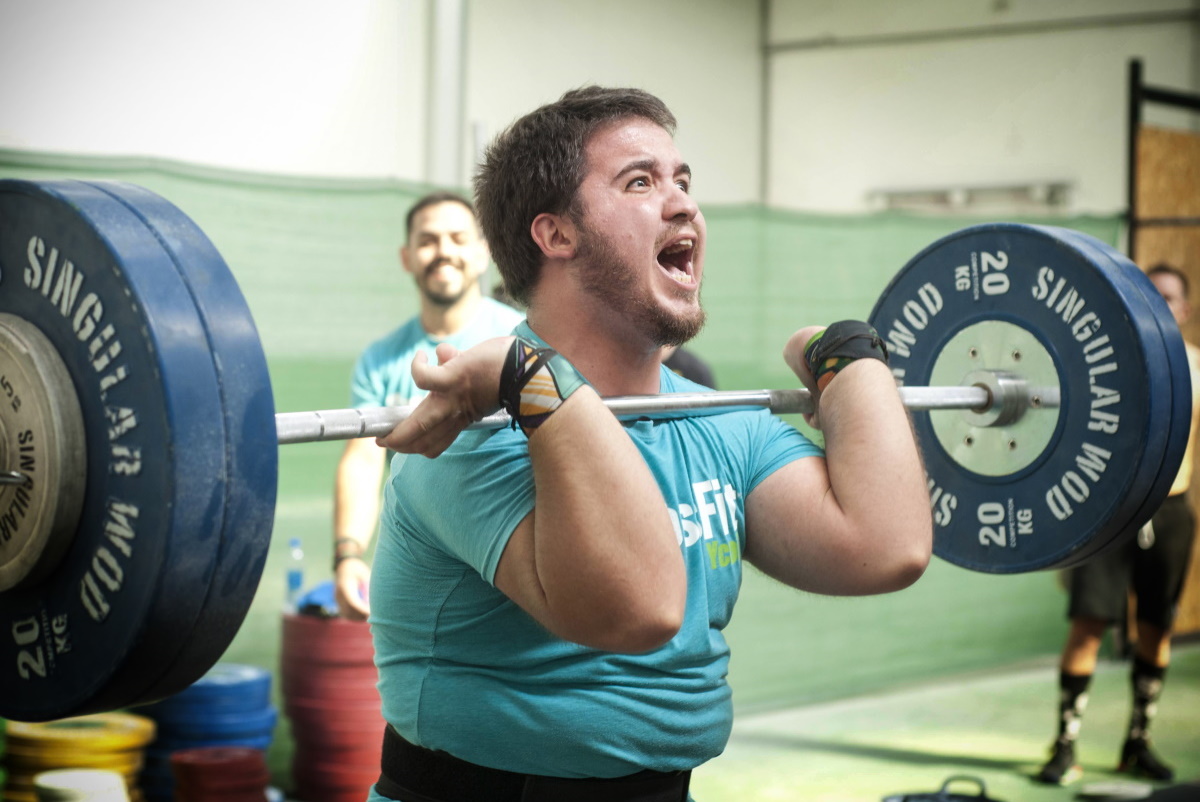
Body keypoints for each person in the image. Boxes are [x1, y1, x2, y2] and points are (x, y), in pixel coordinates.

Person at [368, 86, 932, 802]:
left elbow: (884, 545)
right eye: (641, 182)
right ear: (556, 234)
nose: (684, 205)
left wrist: (847, 354)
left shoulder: (715, 421)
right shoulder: (468, 433)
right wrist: (534, 383)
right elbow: (637, 611)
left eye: (684, 182)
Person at [1035, 262, 1200, 785]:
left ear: (1186, 309)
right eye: (1152, 294)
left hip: (1171, 511)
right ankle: (1064, 747)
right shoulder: (1104, 362)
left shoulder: (1196, 365)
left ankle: (1138, 744)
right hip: (1108, 513)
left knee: (1157, 628)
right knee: (1088, 626)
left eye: (1171, 297)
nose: (1162, 303)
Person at [331, 191, 523, 621]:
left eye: (457, 238)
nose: (443, 252)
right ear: (407, 257)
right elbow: (363, 460)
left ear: (482, 252)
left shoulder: (525, 339)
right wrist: (347, 555)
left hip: (516, 573)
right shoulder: (380, 360)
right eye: (428, 241)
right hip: (423, 585)